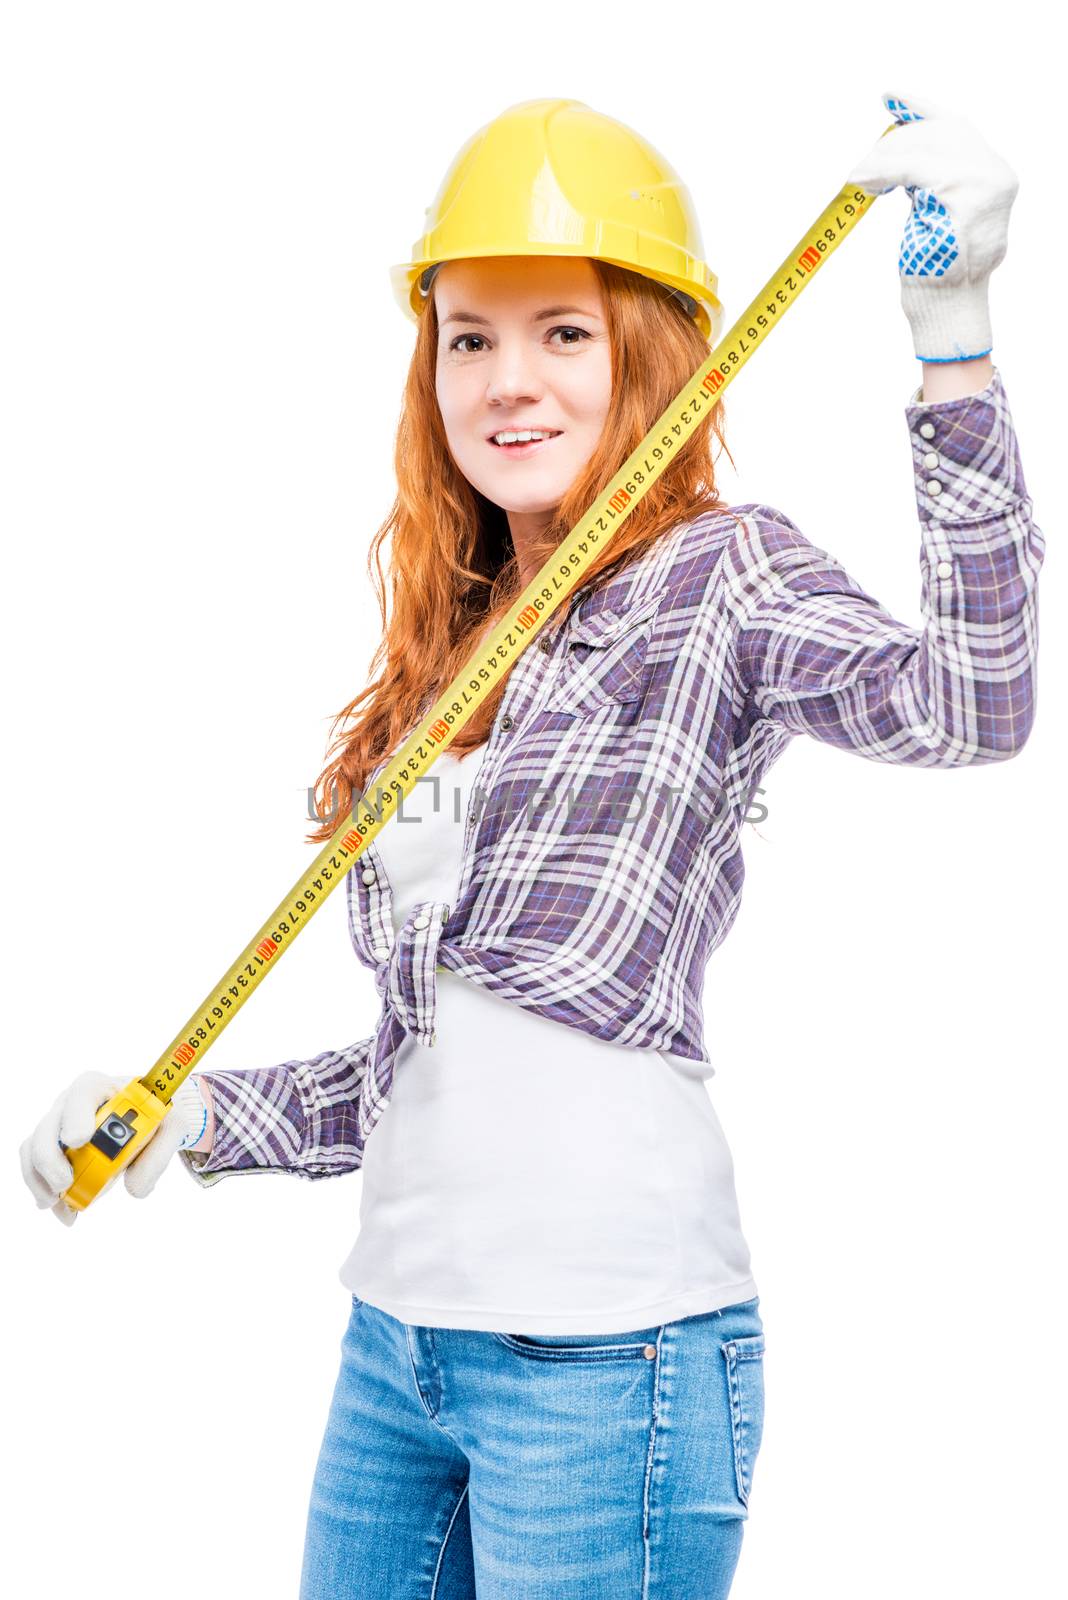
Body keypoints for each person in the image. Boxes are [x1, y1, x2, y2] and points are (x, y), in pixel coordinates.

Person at [21, 90, 1043, 1599]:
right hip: (395, 1351)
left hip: (609, 1358)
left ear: (654, 353)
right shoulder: (447, 659)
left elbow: (974, 705)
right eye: (471, 335)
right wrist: (183, 1112)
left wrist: (950, 346)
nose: (509, 380)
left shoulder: (723, 577)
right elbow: (425, 1070)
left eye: (564, 330)